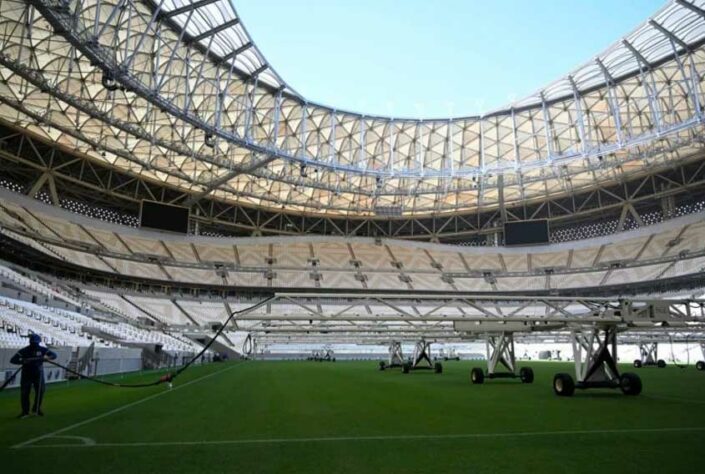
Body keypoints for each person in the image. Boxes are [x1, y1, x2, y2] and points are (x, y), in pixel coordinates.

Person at [10, 334, 57, 418]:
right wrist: (23, 361)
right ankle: (25, 412)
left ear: (39, 342)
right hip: (26, 374)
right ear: (30, 342)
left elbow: (54, 355)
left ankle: (36, 409)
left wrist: (47, 357)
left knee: (40, 391)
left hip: (38, 374)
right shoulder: (24, 351)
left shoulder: (43, 350)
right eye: (33, 342)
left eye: (35, 342)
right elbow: (13, 360)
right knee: (25, 393)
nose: (34, 344)